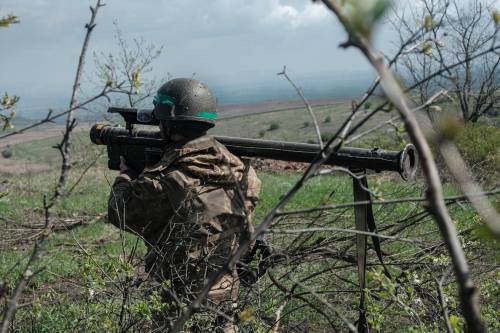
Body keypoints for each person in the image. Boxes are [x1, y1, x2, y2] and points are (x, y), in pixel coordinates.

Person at [107, 78, 261, 332]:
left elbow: (119, 212)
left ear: (166, 123)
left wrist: (126, 176)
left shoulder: (164, 181)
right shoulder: (242, 170)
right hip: (225, 288)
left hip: (177, 297)